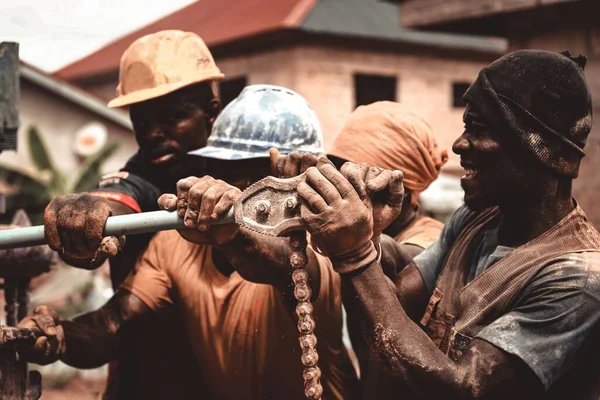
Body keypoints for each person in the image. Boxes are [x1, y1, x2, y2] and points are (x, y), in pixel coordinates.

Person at [20, 85, 361, 400]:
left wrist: (233, 234)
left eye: (260, 174)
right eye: (226, 165)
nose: (240, 183)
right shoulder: (176, 245)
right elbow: (116, 323)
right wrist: (59, 337)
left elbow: (282, 266)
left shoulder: (319, 242)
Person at [297, 50, 600, 399]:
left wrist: (355, 253)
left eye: (479, 129)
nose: (459, 144)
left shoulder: (577, 280)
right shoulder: (477, 219)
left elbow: (460, 386)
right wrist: (360, 229)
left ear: (538, 148)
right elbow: (395, 302)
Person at [41, 30, 224, 399]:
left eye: (173, 117)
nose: (154, 133)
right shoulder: (140, 177)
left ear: (211, 111)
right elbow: (115, 199)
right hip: (146, 376)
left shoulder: (237, 175)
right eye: (141, 121)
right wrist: (87, 216)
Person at [327, 101, 447, 391]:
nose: (340, 187)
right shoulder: (350, 236)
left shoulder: (429, 243)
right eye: (336, 170)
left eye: (353, 177)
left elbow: (395, 257)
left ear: (397, 187)